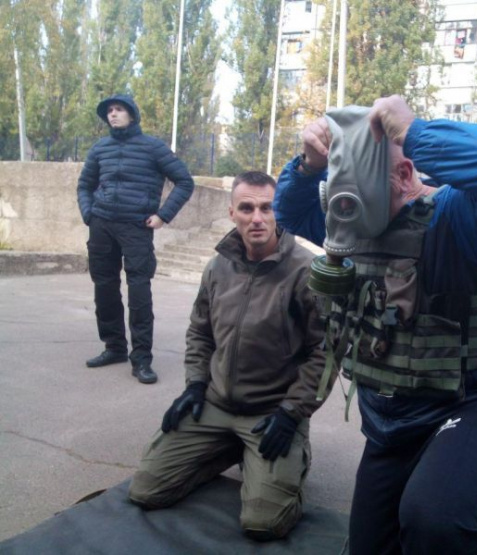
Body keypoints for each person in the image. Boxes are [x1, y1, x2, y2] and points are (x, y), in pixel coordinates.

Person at [273, 95, 477, 554]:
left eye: (361, 182)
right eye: (336, 183)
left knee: (434, 527)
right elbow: (287, 210)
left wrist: (415, 133)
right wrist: (307, 166)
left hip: (467, 406)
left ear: (405, 176)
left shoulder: (460, 222)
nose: (343, 203)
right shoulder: (348, 225)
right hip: (388, 422)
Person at [128, 171, 332, 540]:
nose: (257, 217)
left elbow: (326, 350)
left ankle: (289, 459)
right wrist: (194, 386)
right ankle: (229, 450)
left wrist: (292, 413)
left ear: (277, 212)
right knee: (145, 490)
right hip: (217, 404)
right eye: (247, 207)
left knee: (264, 523)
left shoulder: (306, 272)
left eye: (267, 208)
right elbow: (200, 332)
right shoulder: (218, 267)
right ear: (232, 213)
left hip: (273, 411)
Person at [77, 94, 195, 384]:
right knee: (104, 288)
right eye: (109, 111)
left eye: (119, 110)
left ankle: (141, 359)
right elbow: (84, 185)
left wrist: (163, 215)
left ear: (132, 114)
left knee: (139, 292)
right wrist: (89, 213)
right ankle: (114, 347)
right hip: (102, 225)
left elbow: (184, 181)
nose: (113, 115)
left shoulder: (153, 148)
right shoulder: (100, 149)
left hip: (136, 227)